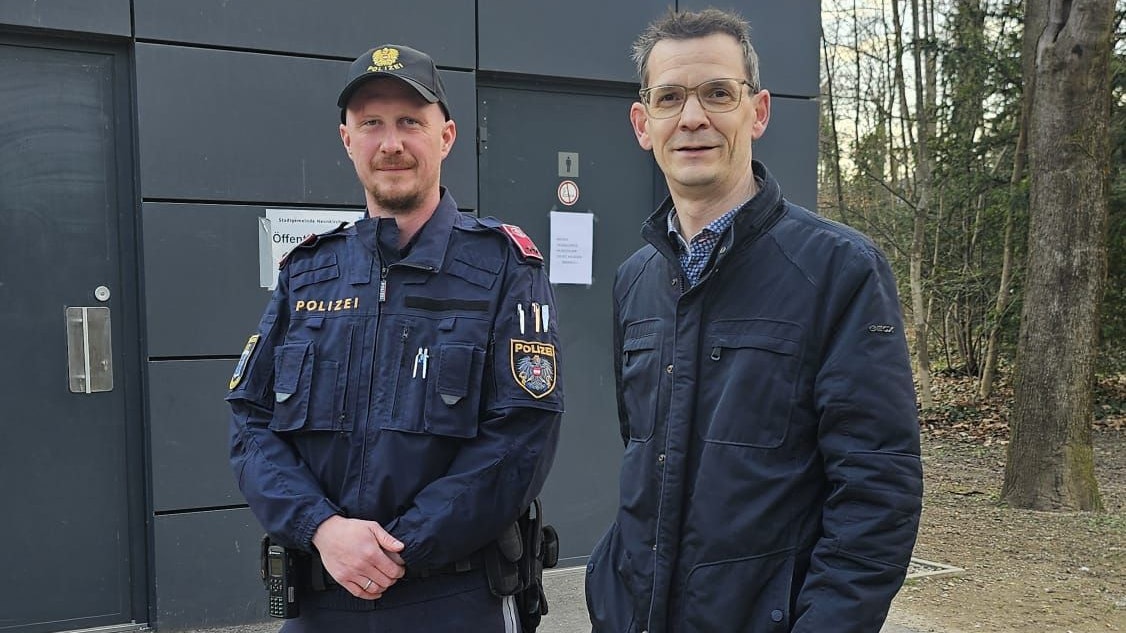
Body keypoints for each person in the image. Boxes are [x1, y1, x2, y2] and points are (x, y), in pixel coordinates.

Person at [584, 9, 923, 633]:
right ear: (643, 122)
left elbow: (877, 495)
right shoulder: (636, 279)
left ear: (758, 112)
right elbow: (641, 453)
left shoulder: (839, 272)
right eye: (670, 98)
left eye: (719, 93)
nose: (693, 118)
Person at [228, 43, 562, 633]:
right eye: (372, 123)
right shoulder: (307, 272)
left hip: (454, 599)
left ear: (447, 136)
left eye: (411, 121)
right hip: (322, 595)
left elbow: (521, 437)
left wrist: (395, 550)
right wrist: (323, 530)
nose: (391, 143)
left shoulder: (505, 267)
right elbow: (252, 423)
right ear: (346, 139)